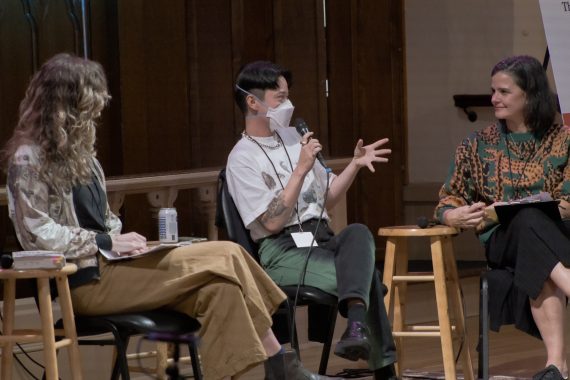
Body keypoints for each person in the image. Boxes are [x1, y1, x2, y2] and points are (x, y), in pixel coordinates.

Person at [2, 53, 339, 380]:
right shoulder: (28, 160)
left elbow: (107, 219)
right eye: (89, 105)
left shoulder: (85, 158)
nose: (98, 111)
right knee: (228, 252)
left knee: (222, 290)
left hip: (114, 266)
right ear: (64, 106)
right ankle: (284, 366)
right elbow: (36, 232)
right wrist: (105, 241)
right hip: (83, 282)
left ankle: (279, 368)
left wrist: (121, 241)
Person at [225, 61, 398, 380]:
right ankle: (381, 365)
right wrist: (301, 169)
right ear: (253, 101)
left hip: (321, 239)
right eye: (279, 98)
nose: (287, 105)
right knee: (365, 276)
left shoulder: (293, 139)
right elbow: (272, 223)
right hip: (282, 250)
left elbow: (328, 197)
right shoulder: (241, 159)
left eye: (288, 96)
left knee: (358, 233)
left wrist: (355, 165)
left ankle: (357, 330)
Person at [435, 55, 570, 380]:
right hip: (502, 242)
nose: (494, 98)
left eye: (504, 92)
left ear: (530, 94)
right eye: (493, 90)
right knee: (525, 222)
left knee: (533, 229)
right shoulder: (477, 145)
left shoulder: (563, 141)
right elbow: (446, 199)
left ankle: (557, 367)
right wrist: (455, 215)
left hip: (556, 237)